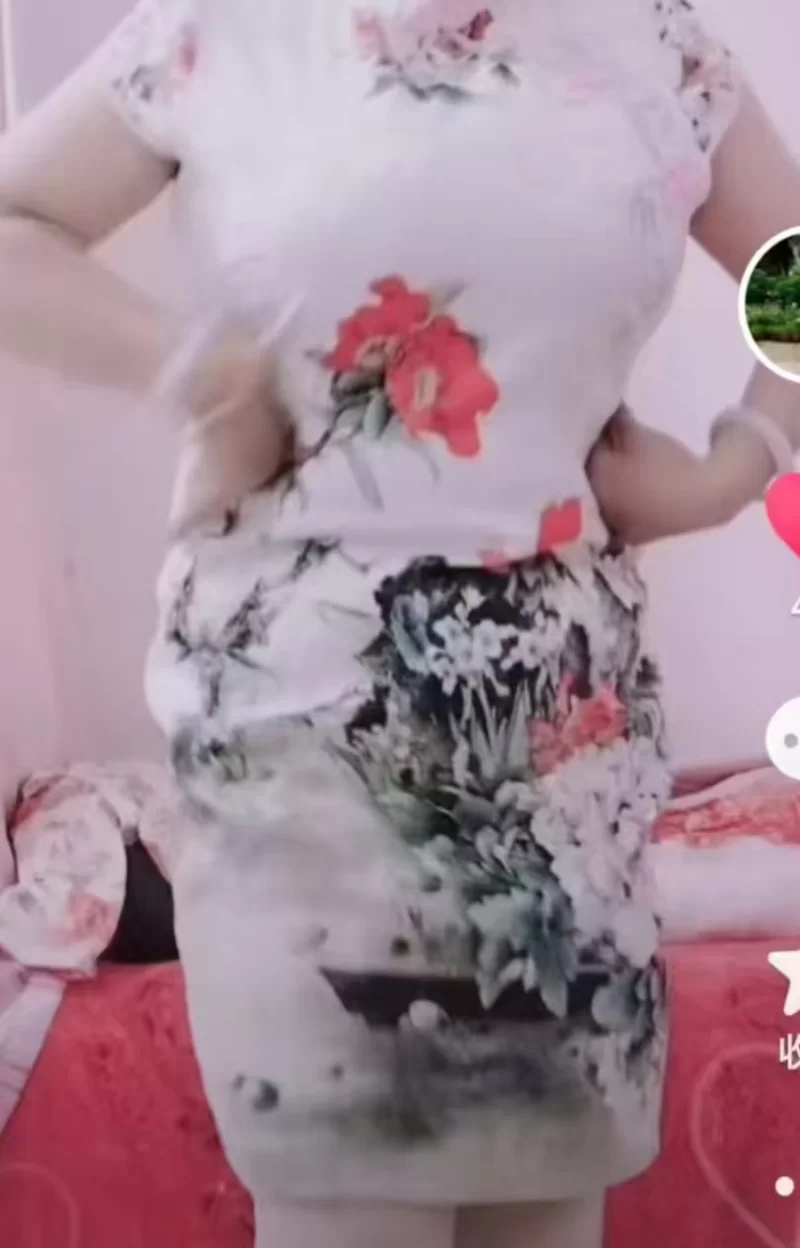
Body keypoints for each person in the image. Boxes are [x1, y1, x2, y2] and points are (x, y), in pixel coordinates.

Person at [0, 2, 798, 1245]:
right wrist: (197, 370)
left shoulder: (655, 42)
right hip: (294, 753)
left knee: (545, 1206)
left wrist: (729, 468)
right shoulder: (227, 26)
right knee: (343, 1210)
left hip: (559, 775)